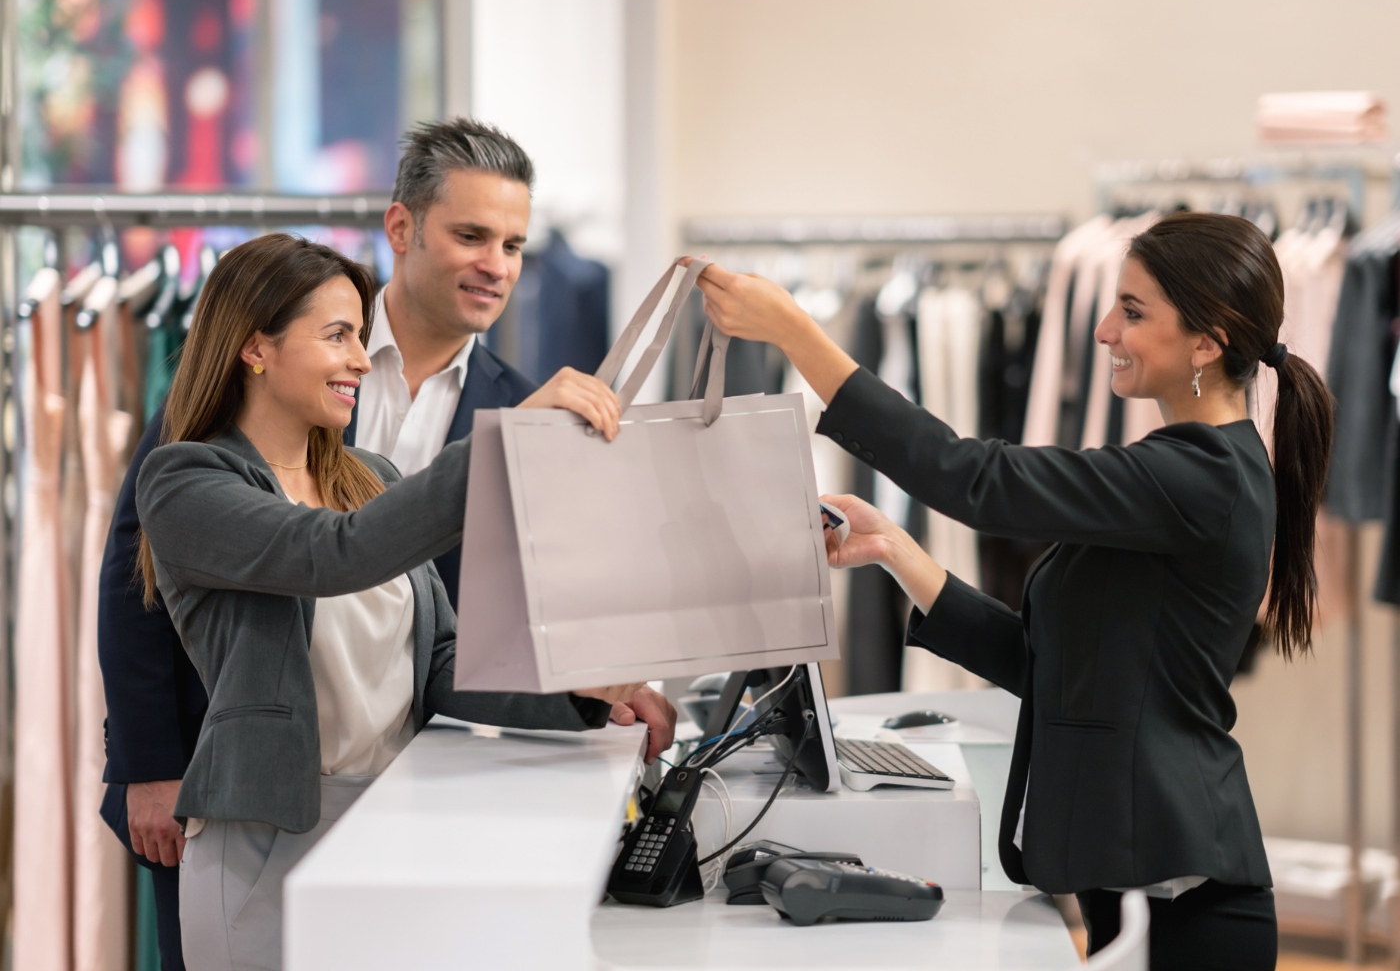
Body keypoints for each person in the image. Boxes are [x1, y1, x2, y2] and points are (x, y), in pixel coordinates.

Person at [97, 118, 676, 970]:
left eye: (514, 243)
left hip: (399, 808)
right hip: (253, 806)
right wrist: (146, 761)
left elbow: (440, 659)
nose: (499, 264)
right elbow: (326, 556)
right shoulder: (193, 471)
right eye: (472, 235)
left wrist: (582, 687)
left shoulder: (370, 469)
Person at [691, 212, 1334, 970]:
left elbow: (977, 478)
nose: (1102, 331)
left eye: (1131, 311)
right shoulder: (1189, 469)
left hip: (1190, 901)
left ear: (1207, 341)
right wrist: (897, 553)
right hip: (1143, 887)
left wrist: (798, 335)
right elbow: (1050, 669)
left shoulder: (1203, 475)